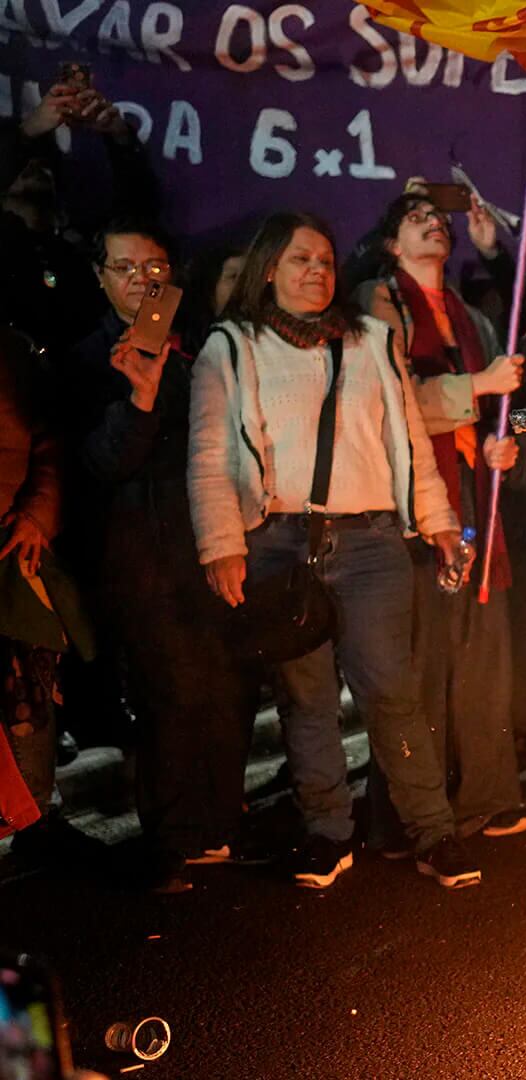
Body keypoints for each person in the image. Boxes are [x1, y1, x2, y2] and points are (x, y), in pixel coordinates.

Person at [188, 211, 479, 891]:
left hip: (371, 540)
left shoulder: (372, 341)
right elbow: (207, 459)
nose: (317, 272)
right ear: (268, 268)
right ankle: (327, 833)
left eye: (324, 260)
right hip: (277, 545)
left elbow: (406, 438)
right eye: (299, 260)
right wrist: (222, 546)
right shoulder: (231, 347)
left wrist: (437, 523)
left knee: (392, 691)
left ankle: (433, 832)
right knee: (305, 697)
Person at [54, 221, 257, 893]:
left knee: (224, 683)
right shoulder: (83, 361)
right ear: (101, 276)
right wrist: (140, 399)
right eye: (127, 267)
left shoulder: (201, 349)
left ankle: (223, 823)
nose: (144, 278)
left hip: (211, 538)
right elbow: (102, 461)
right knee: (168, 692)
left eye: (157, 265)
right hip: (138, 555)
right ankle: (174, 837)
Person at [359, 191, 526, 844]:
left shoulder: (467, 315)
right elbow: (390, 403)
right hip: (413, 503)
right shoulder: (381, 304)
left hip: (473, 495)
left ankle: (487, 794)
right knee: (421, 658)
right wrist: (479, 388)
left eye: (439, 217)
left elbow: (476, 408)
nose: (435, 223)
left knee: (481, 651)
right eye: (414, 217)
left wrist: (491, 443)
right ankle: (411, 813)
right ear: (389, 244)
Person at [0, 323, 97, 874]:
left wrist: (37, 514)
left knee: (28, 685)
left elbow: (49, 442)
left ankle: (39, 818)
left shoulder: (11, 350)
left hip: (11, 540)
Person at [0, 67, 159, 351]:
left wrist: (118, 136)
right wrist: (26, 133)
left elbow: (140, 221)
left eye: (43, 162)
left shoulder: (78, 248)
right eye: (25, 164)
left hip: (89, 383)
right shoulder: (8, 243)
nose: (35, 168)